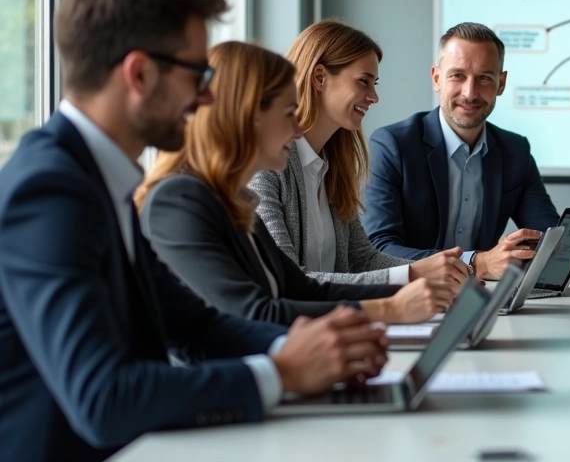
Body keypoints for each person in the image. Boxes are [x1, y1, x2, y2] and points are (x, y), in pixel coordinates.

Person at [0, 0, 386, 461]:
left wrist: (321, 347)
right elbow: (102, 398)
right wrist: (282, 372)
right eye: (198, 75)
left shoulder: (95, 179)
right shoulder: (51, 191)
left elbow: (196, 326)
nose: (208, 96)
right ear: (139, 73)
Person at [139, 41, 453, 326]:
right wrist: (391, 308)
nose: (298, 130)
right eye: (289, 113)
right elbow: (256, 313)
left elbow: (304, 290)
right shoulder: (179, 201)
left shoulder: (236, 201)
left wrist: (421, 291)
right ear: (248, 116)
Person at [249, 19, 468, 289]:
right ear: (319, 78)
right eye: (364, 82)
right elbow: (288, 280)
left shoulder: (332, 167)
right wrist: (413, 275)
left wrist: (432, 271)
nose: (374, 97)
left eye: (374, 84)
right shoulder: (266, 166)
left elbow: (361, 260)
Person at [362, 22, 570, 281]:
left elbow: (545, 231)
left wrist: (560, 254)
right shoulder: (392, 145)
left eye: (485, 78)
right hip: (412, 297)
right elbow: (379, 249)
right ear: (437, 78)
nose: (470, 92)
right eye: (457, 75)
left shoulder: (515, 150)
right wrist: (477, 263)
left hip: (478, 299)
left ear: (501, 83)